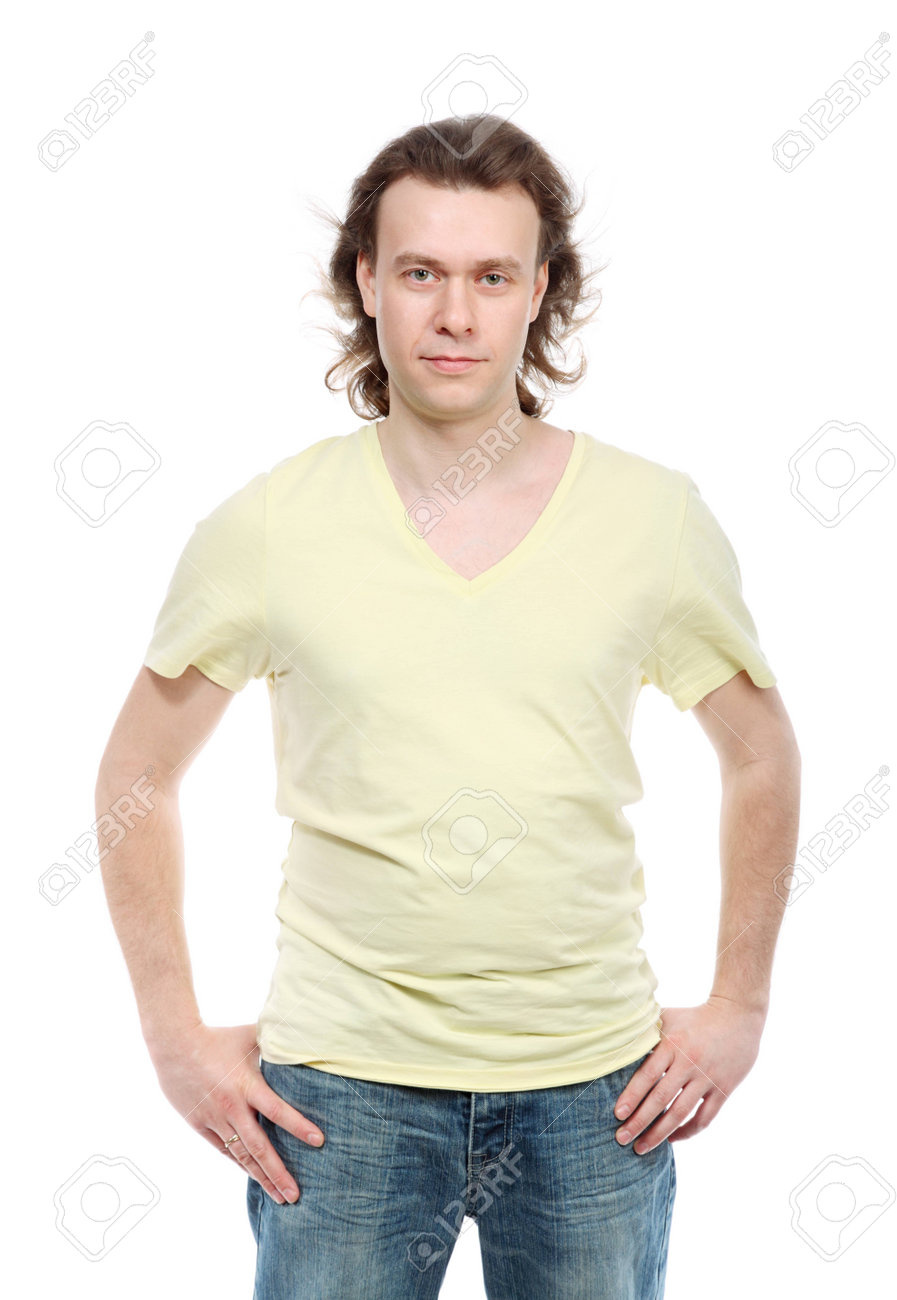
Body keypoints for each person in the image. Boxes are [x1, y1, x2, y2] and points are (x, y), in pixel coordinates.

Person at [96, 113, 801, 1299]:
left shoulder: (652, 520)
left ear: (540, 293)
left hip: (597, 1094)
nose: (455, 314)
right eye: (421, 272)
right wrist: (173, 1037)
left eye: (491, 276)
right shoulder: (268, 527)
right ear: (367, 282)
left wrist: (737, 1004)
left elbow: (762, 758)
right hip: (339, 1097)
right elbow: (135, 778)